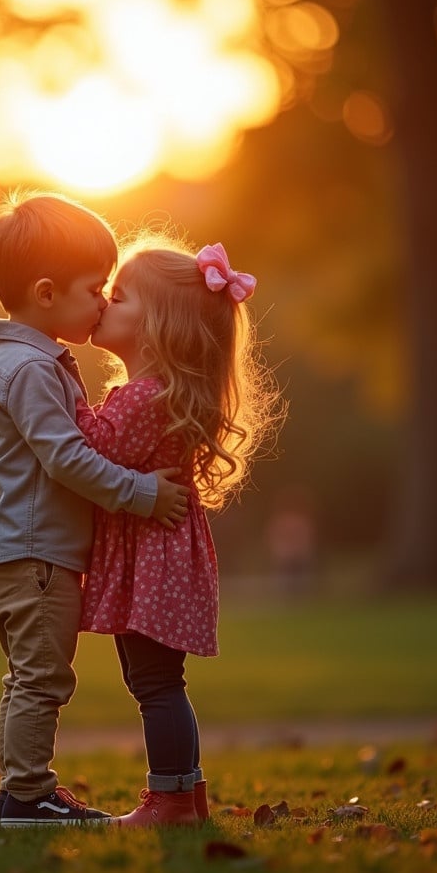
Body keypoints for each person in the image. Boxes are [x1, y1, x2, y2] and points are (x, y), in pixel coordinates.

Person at [0, 190, 190, 829]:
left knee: (31, 676)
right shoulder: (30, 371)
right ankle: (25, 798)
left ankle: (26, 791)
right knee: (40, 679)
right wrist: (143, 493)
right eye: (95, 288)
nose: (102, 301)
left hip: (23, 552)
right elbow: (67, 459)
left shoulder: (31, 362)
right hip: (33, 556)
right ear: (45, 293)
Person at [76, 237, 277, 826]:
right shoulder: (163, 393)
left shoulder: (143, 397)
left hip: (152, 566)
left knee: (154, 684)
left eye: (118, 296)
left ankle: (168, 800)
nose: (103, 305)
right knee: (164, 681)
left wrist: (61, 394)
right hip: (163, 559)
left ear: (156, 323)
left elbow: (90, 452)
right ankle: (186, 795)